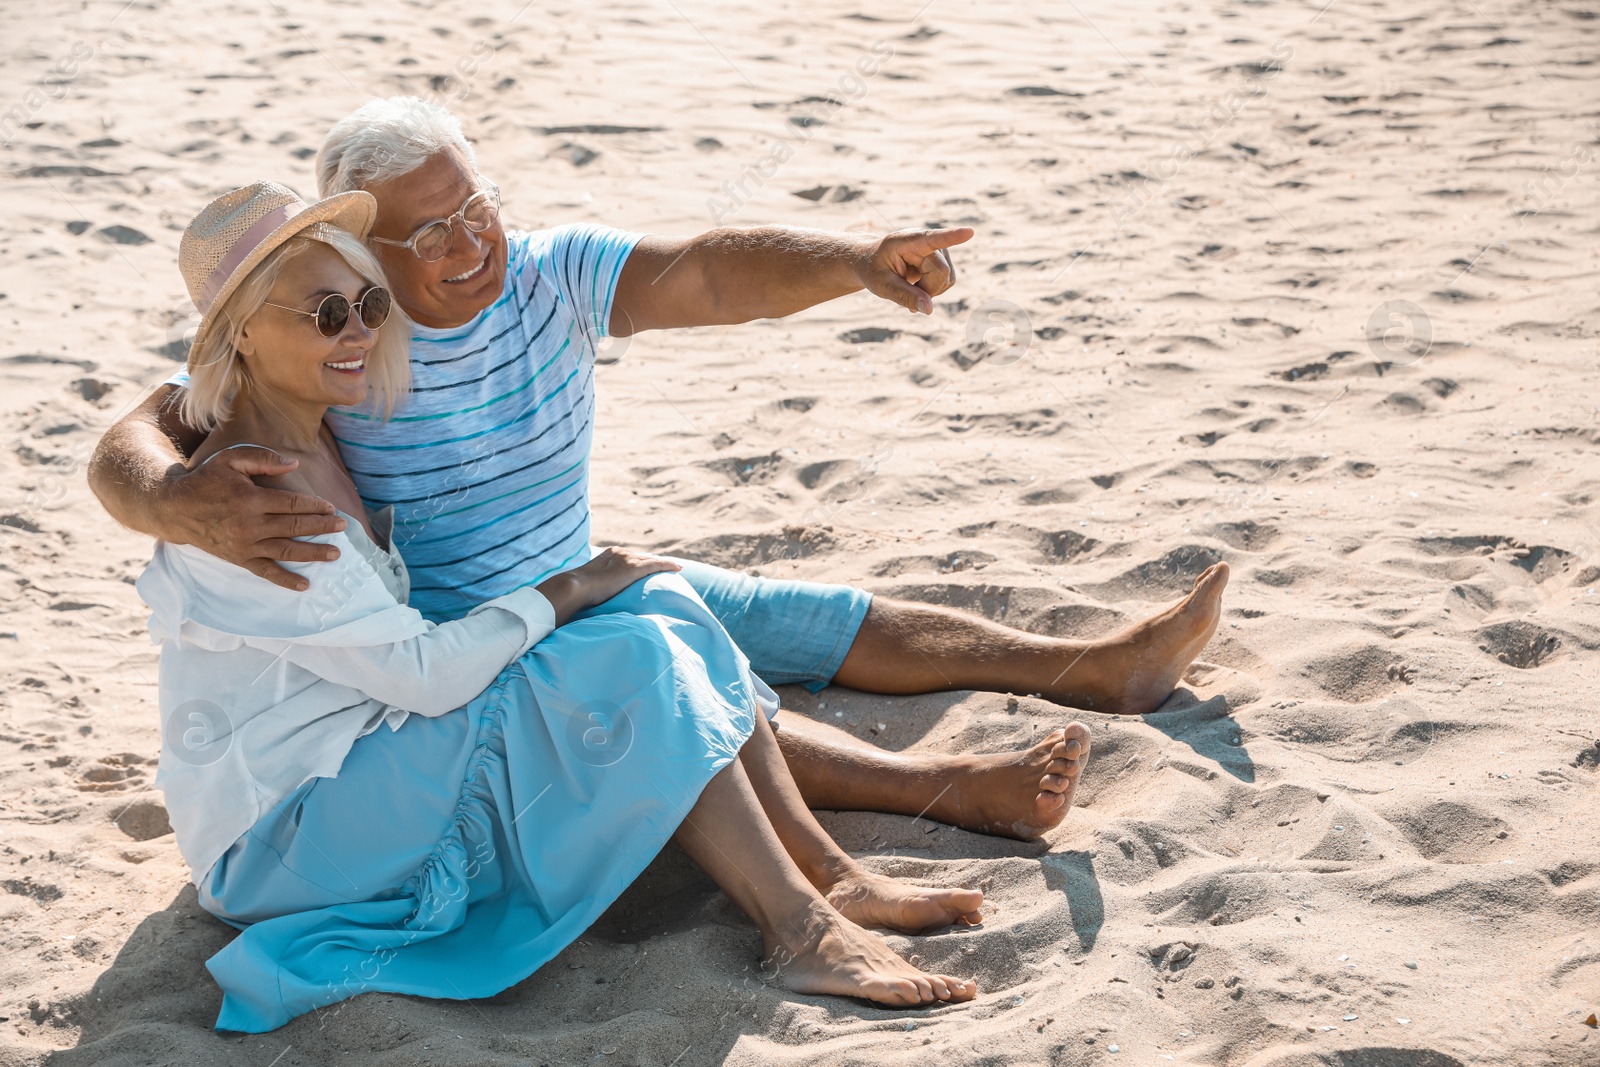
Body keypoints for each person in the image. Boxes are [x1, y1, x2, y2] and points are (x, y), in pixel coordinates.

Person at [90, 95, 1225, 841]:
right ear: (362, 249)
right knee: (674, 682)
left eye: (473, 207)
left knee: (775, 609)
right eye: (425, 233)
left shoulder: (547, 275)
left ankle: (1091, 664)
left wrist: (853, 262)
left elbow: (709, 272)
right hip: (480, 634)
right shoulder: (338, 334)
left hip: (579, 565)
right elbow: (143, 427)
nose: (467, 243)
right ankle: (946, 789)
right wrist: (165, 496)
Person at [141, 181, 1038, 1033]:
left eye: (370, 306)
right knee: (625, 649)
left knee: (662, 598)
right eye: (327, 314)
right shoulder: (250, 496)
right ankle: (801, 931)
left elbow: (706, 273)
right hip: (280, 838)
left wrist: (601, 584)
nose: (360, 334)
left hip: (363, 764)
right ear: (243, 336)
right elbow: (418, 676)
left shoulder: (319, 423)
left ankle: (828, 878)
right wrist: (570, 586)